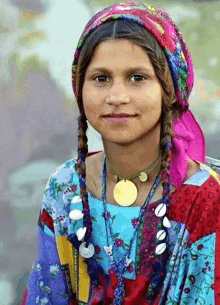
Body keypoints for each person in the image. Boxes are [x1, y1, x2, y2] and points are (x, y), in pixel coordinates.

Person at [20, 2, 220, 304]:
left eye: (137, 78)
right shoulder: (65, 187)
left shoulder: (205, 199)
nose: (116, 97)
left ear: (171, 89)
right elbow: (45, 294)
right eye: (101, 78)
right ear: (79, 87)